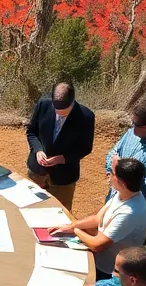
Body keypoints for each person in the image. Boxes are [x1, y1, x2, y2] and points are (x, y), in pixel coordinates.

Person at [50, 157, 146, 278]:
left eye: (112, 173)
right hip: (101, 262)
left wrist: (76, 231)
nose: (109, 174)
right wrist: (71, 226)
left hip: (108, 271)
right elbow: (98, 218)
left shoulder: (129, 213)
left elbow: (97, 245)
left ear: (122, 183)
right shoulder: (124, 193)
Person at [25, 82, 96, 210]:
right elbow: (31, 131)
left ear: (72, 102)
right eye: (57, 110)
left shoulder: (86, 116)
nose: (60, 115)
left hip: (64, 178)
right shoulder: (43, 105)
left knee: (61, 213)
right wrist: (38, 150)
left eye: (64, 112)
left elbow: (85, 147)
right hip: (37, 171)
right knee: (31, 208)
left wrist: (63, 158)